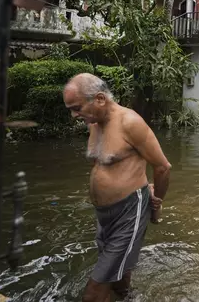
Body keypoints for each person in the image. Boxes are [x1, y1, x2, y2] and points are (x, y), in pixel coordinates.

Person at [63, 73, 171, 302]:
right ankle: (126, 297)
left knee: (94, 292)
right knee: (117, 277)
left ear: (100, 99)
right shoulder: (94, 124)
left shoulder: (130, 123)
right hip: (104, 215)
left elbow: (162, 167)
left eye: (77, 107)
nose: (74, 115)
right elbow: (100, 164)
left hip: (129, 210)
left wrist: (157, 201)